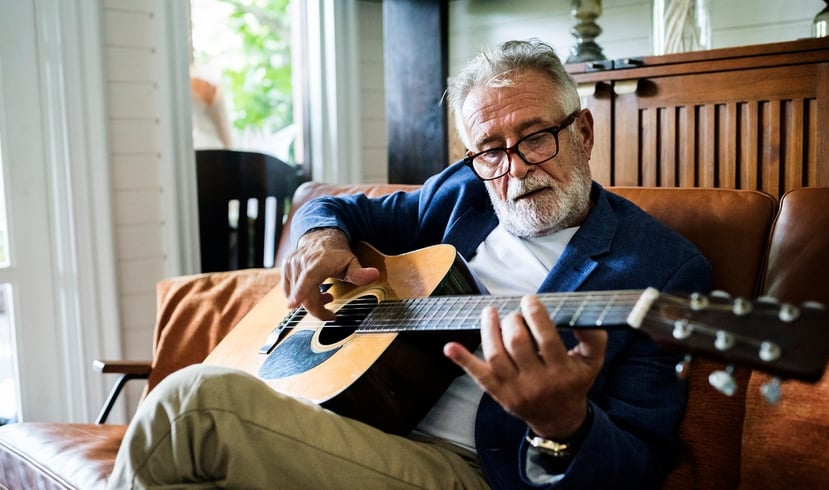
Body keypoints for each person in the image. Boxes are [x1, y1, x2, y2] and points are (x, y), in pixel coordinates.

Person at [107, 39, 711, 489]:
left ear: (582, 130)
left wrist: (563, 425)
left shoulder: (661, 269)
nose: (516, 169)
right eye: (491, 152)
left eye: (535, 138)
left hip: (471, 469)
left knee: (192, 405)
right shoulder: (463, 192)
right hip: (350, 415)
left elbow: (638, 465)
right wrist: (318, 240)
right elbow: (336, 208)